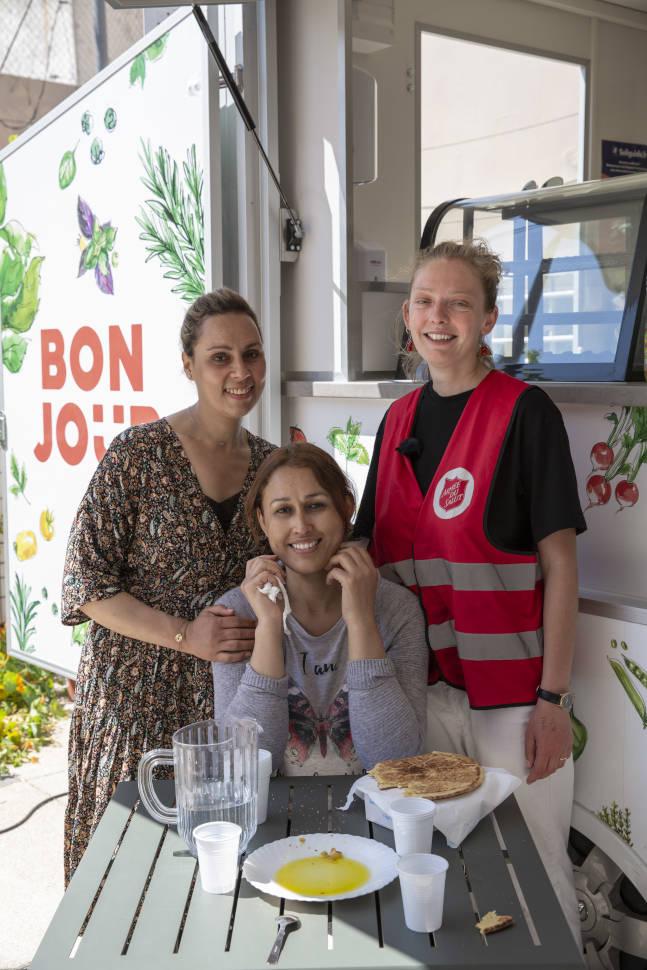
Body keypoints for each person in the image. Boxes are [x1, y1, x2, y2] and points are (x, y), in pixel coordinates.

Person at [353, 240, 586, 943]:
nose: (438, 316)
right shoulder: (395, 422)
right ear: (405, 315)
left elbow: (562, 566)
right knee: (446, 874)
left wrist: (552, 700)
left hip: (512, 702)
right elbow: (367, 547)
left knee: (537, 872)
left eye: (458, 302)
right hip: (422, 695)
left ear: (487, 318)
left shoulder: (524, 414)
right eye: (425, 301)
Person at [62, 288, 276, 883]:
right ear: (189, 365)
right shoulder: (138, 454)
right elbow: (86, 582)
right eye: (220, 357)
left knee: (216, 879)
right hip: (134, 705)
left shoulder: (272, 466)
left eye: (252, 354)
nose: (241, 372)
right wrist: (187, 635)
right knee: (125, 880)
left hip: (227, 708)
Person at [212, 443, 428, 775]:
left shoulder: (397, 608)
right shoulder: (237, 611)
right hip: (271, 819)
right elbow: (240, 768)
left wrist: (360, 620)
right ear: (262, 521)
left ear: (346, 508)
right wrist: (269, 626)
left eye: (315, 506)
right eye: (284, 510)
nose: (301, 526)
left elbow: (397, 762)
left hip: (374, 814)